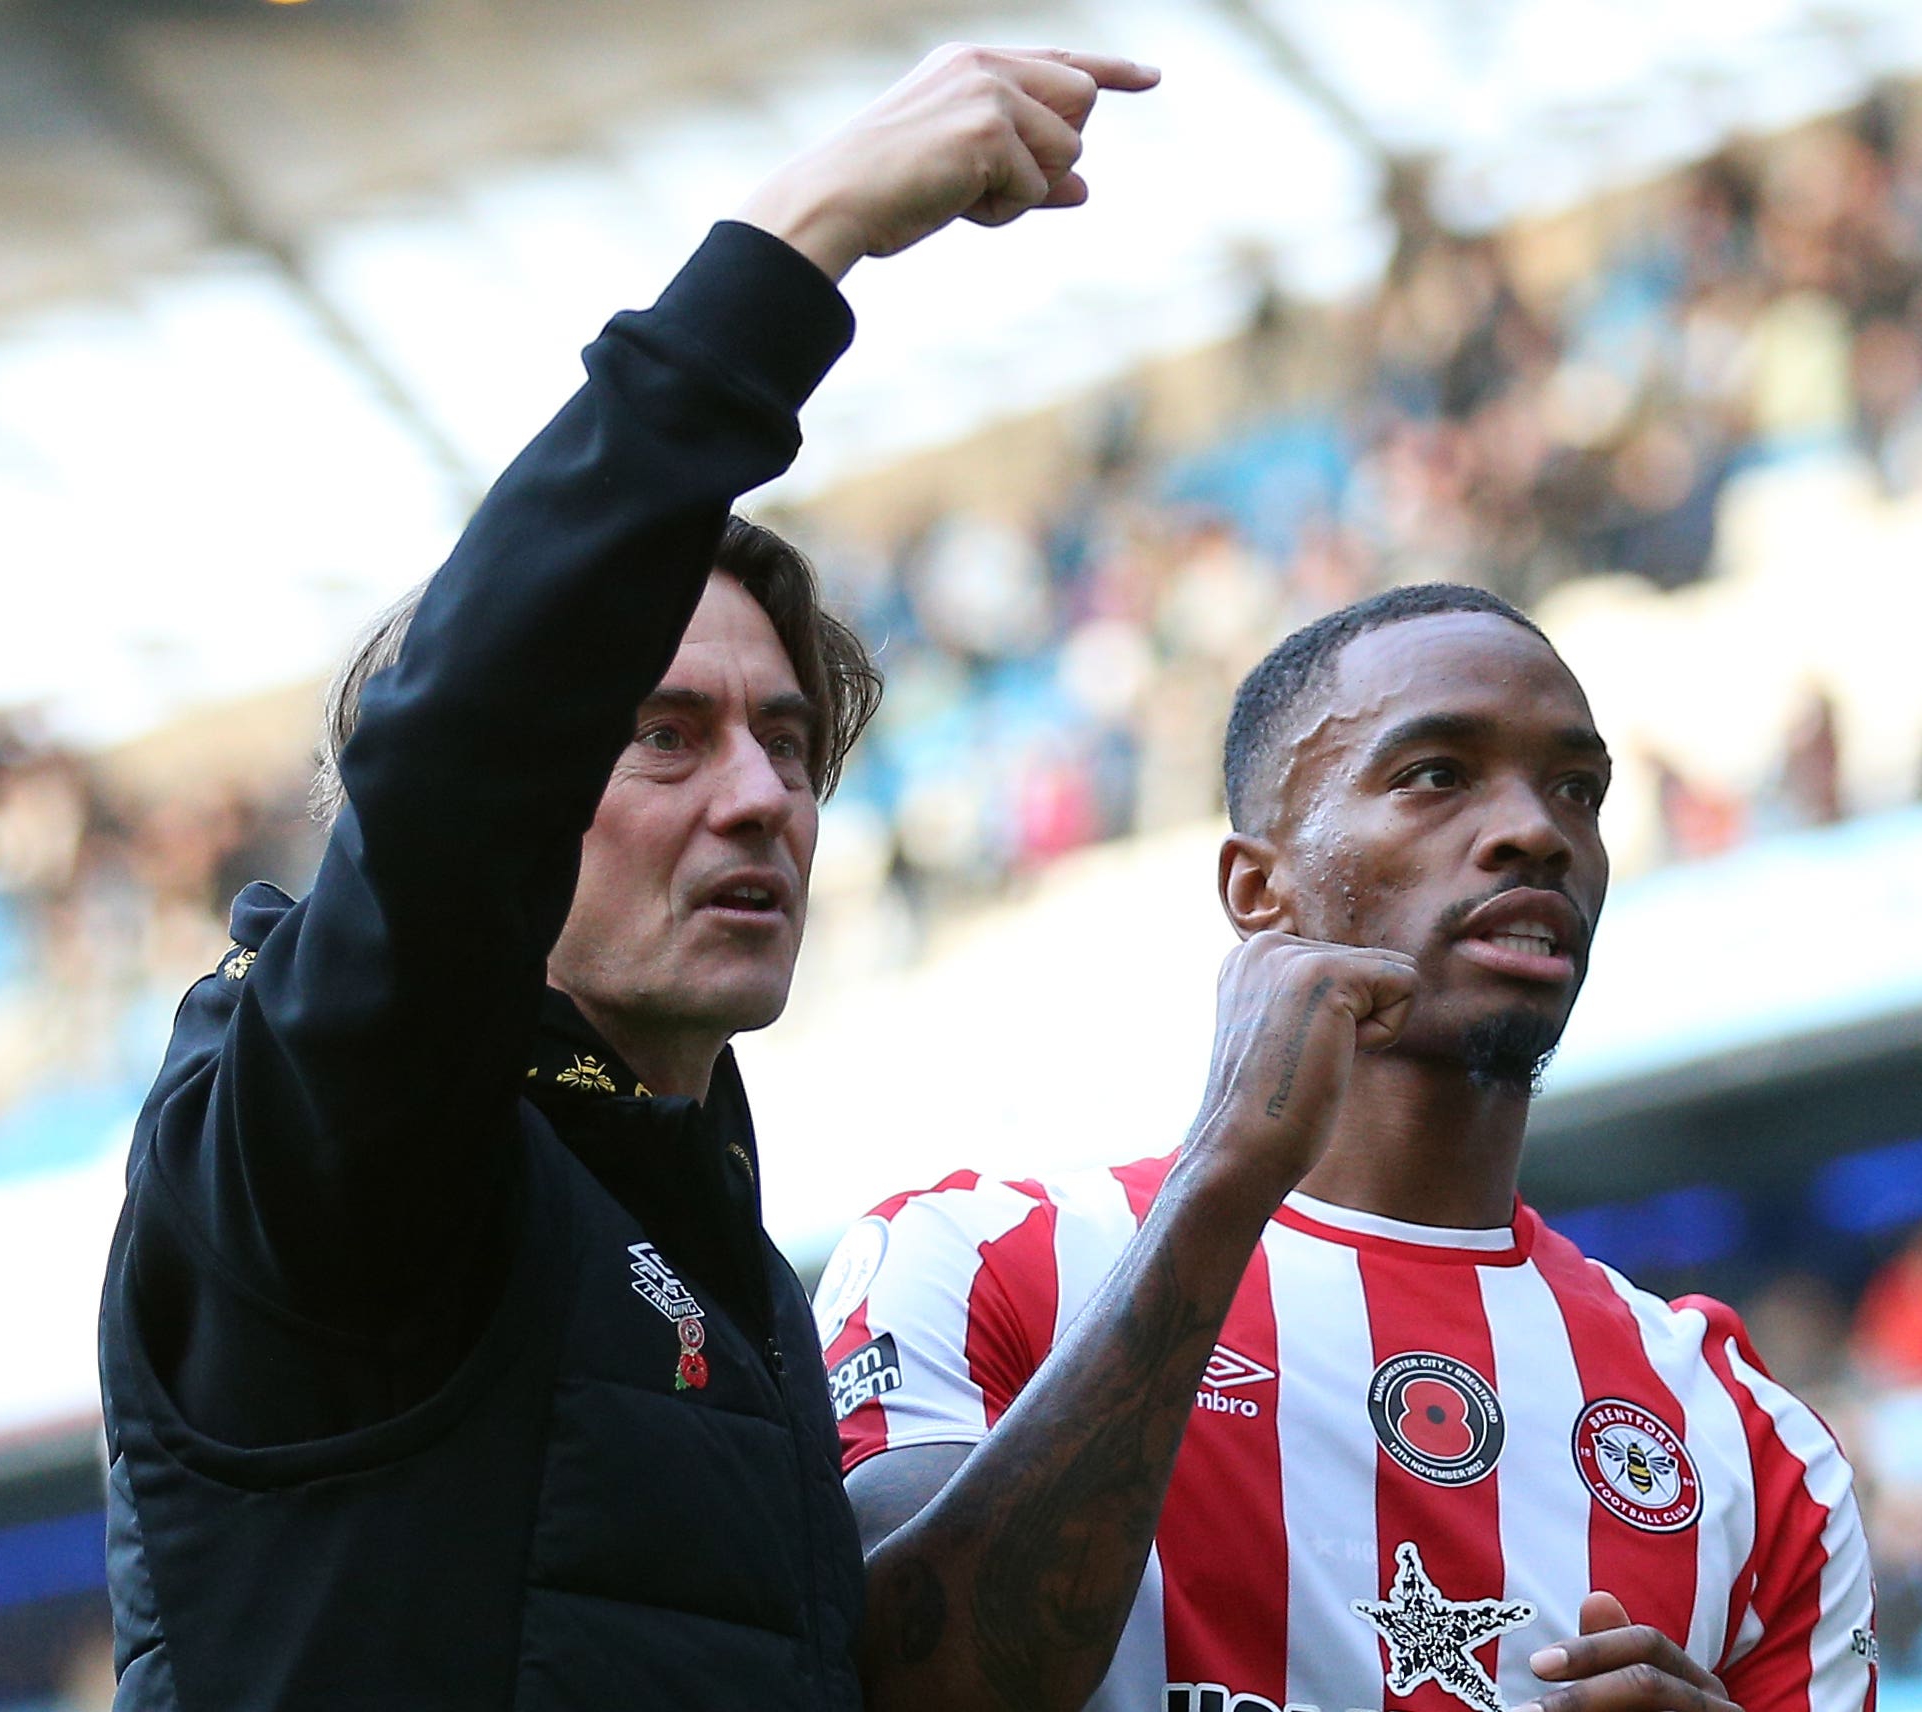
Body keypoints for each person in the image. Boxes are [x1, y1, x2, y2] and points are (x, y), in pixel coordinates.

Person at [95, 44, 1159, 1712]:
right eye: (661, 735)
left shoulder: (703, 1248)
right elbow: (456, 775)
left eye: (788, 741)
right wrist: (797, 238)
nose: (761, 796)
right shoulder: (331, 1150)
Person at [821, 584, 1877, 1712]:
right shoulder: (975, 1263)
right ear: (1257, 889)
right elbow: (903, 1684)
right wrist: (1228, 1173)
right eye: (1436, 773)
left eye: (1578, 788)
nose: (1537, 830)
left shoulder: (1751, 1449)